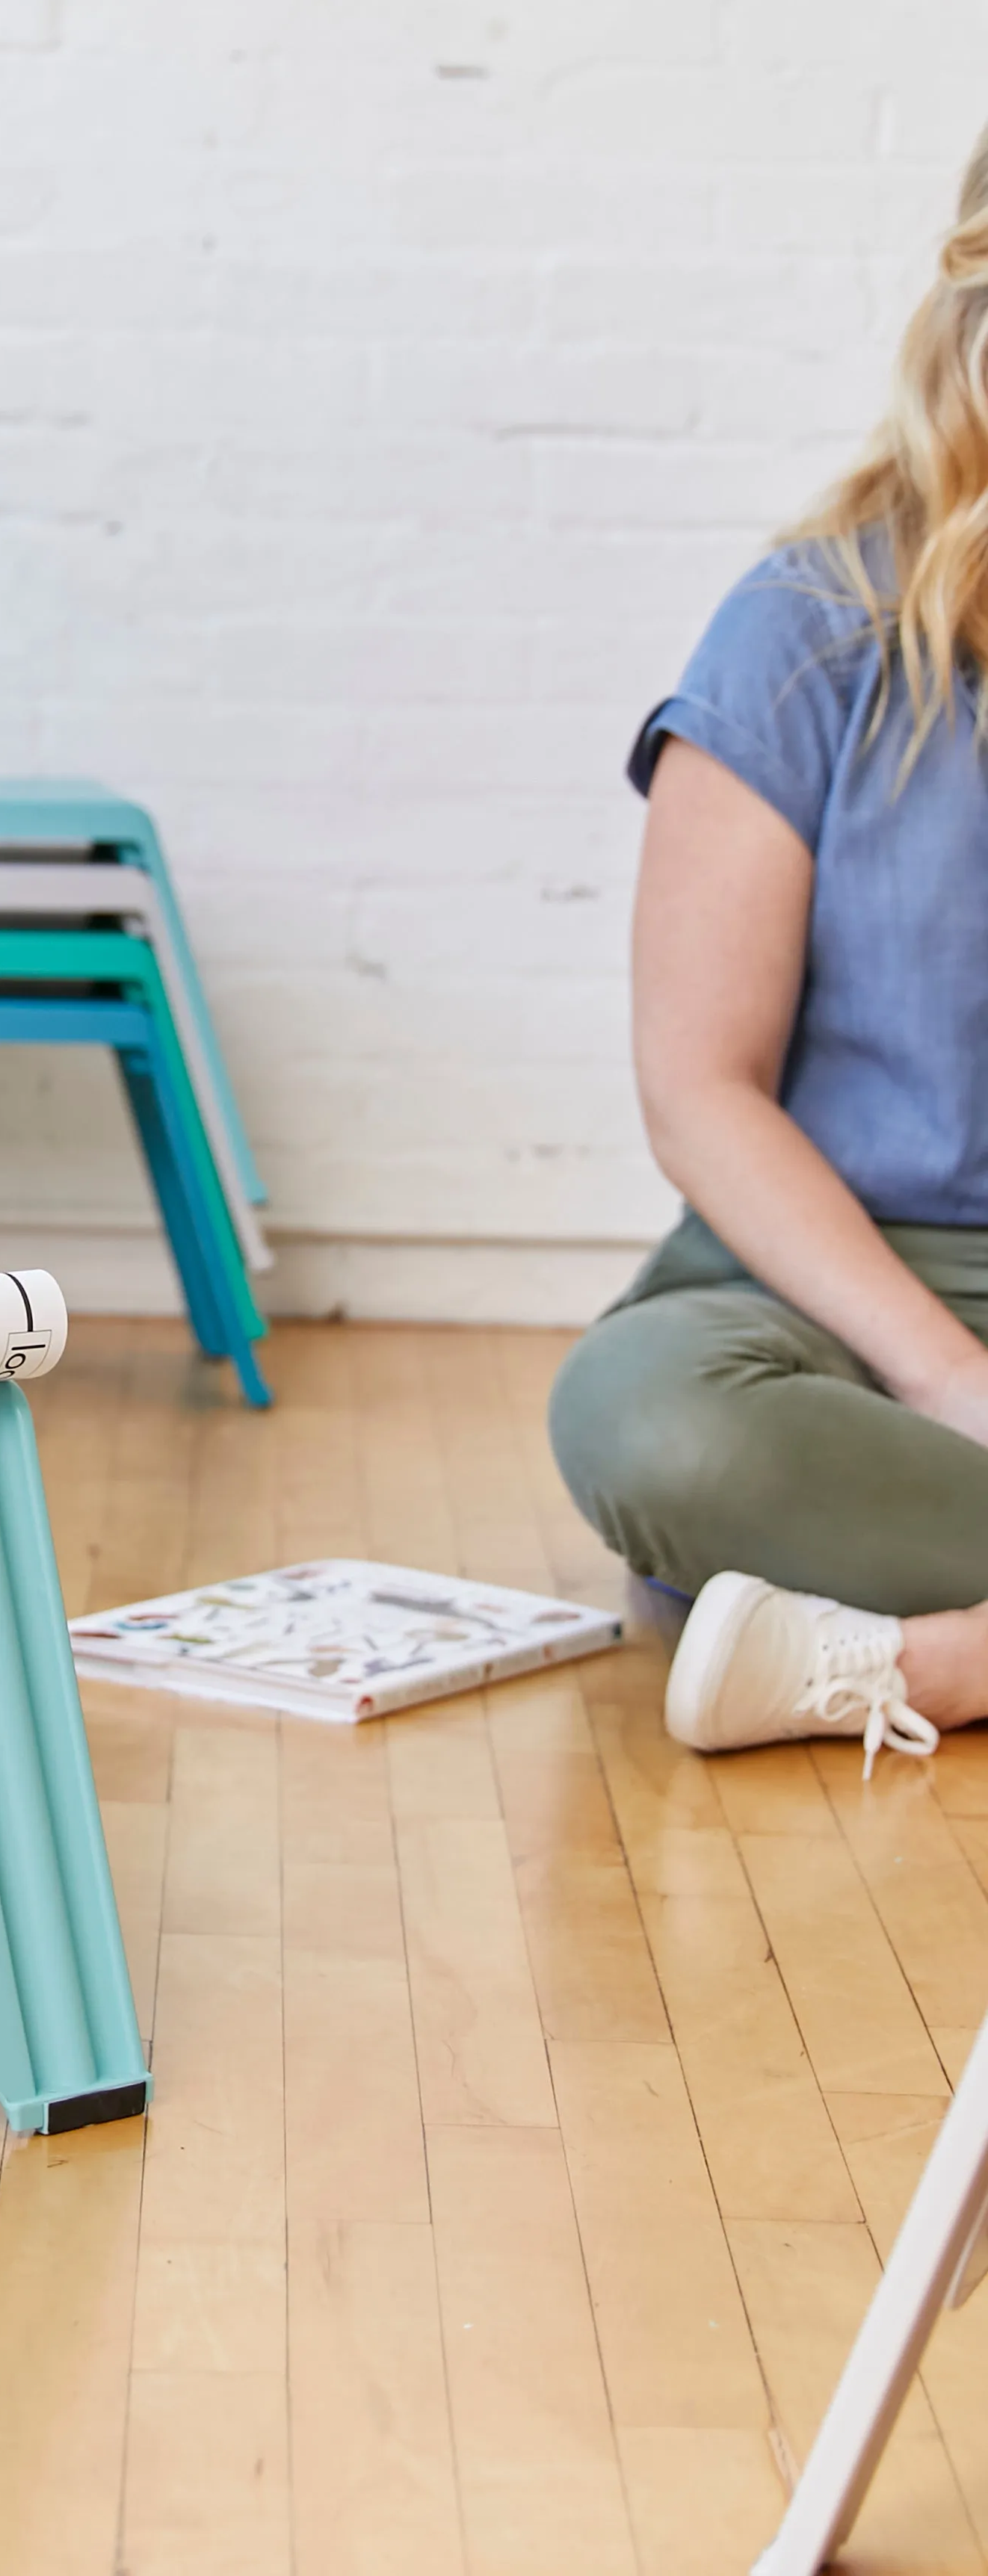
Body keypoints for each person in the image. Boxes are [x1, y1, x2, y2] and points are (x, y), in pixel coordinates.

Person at [550, 129, 988, 1774]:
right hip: (844, 1291)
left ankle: (928, 1659)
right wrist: (947, 1379)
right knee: (645, 1416)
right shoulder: (808, 629)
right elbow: (698, 1091)